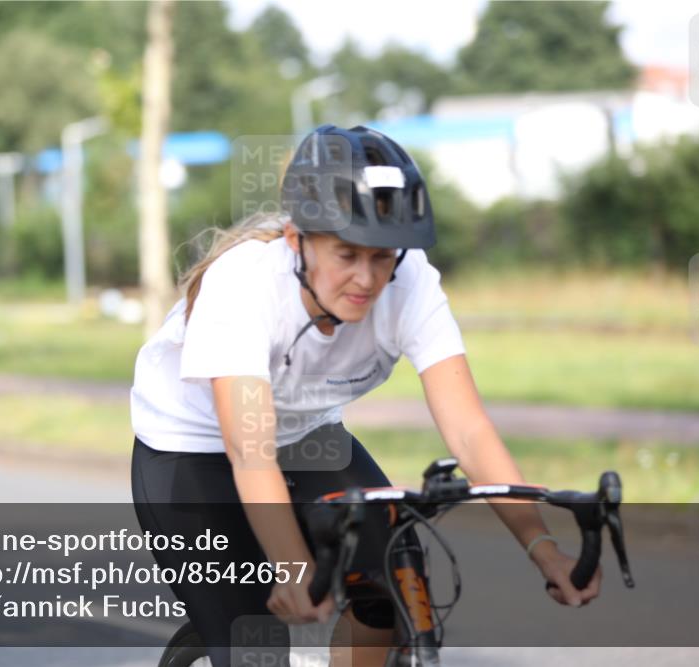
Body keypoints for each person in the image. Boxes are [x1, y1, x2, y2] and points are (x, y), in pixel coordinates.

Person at [129, 124, 601, 667]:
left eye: (383, 256)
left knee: (392, 581)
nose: (367, 278)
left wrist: (541, 548)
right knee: (255, 641)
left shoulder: (410, 280)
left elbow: (469, 432)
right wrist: (293, 566)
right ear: (296, 241)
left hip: (308, 437)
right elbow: (250, 450)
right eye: (346, 254)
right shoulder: (244, 285)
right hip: (190, 451)